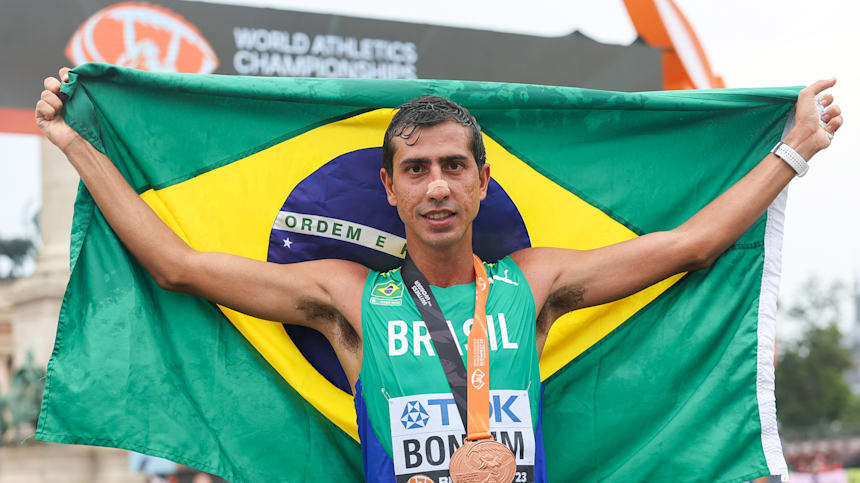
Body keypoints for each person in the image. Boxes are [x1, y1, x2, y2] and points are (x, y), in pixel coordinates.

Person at [36, 67, 842, 482]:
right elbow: (177, 266)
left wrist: (793, 151)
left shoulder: (536, 282)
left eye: (454, 166)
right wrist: (77, 146)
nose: (438, 186)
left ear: (483, 182)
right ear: (389, 188)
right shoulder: (347, 297)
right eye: (416, 169)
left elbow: (690, 245)